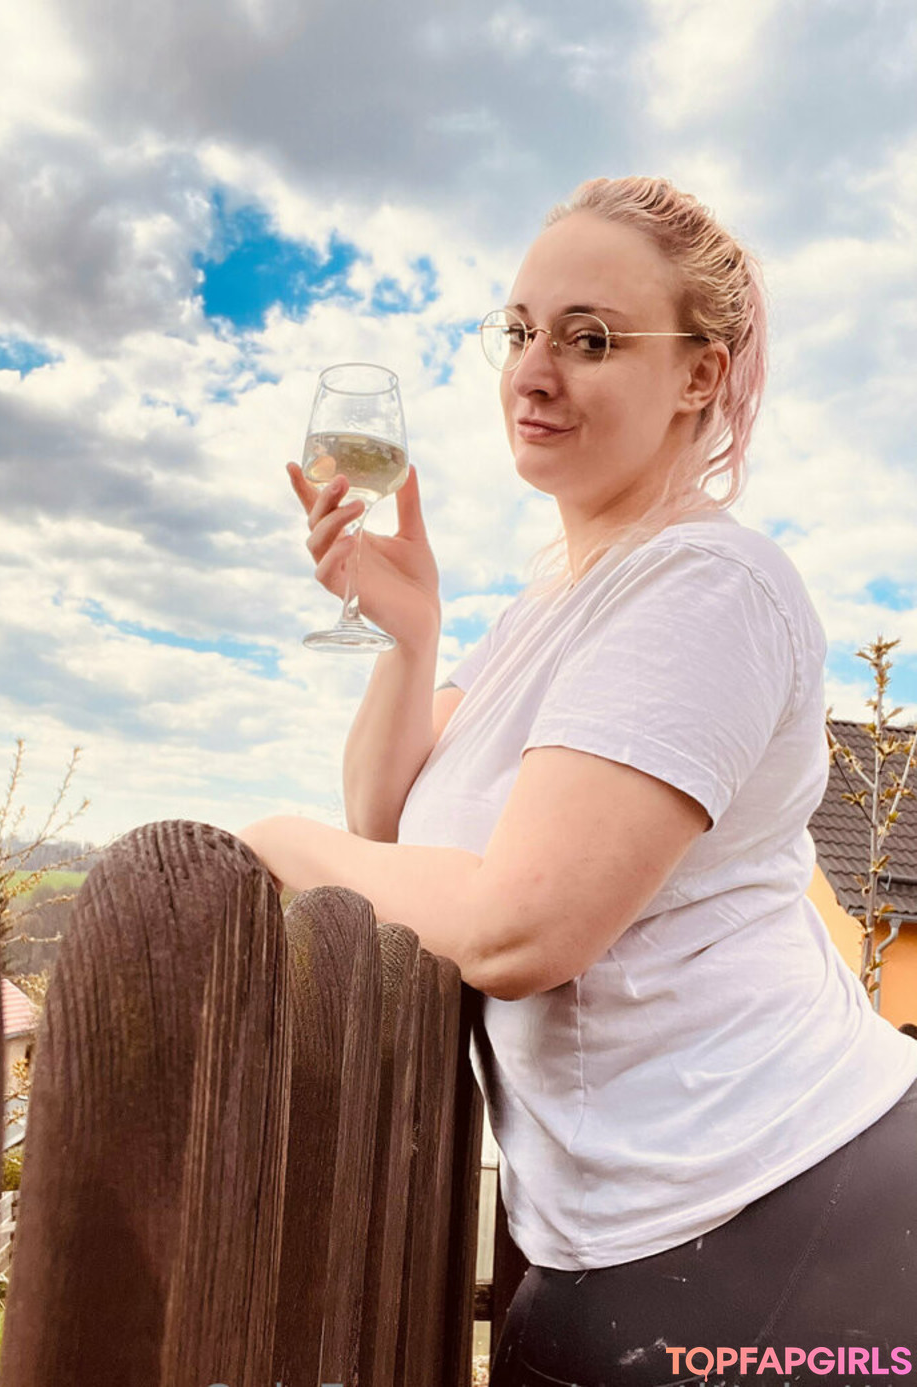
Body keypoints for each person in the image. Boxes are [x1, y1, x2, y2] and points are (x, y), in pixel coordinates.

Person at [239, 176, 917, 1385]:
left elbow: (520, 927)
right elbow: (387, 823)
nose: (533, 372)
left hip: (780, 1202)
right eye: (519, 330)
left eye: (589, 338)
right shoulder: (544, 609)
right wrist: (411, 635)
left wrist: (276, 838)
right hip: (615, 1230)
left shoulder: (708, 586)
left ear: (700, 375)